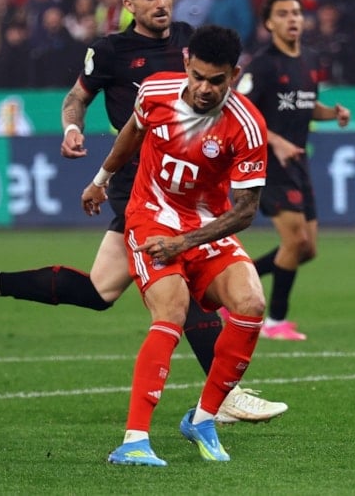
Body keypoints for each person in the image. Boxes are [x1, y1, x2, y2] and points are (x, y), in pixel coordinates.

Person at [0, 0, 286, 425]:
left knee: (99, 289)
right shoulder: (110, 51)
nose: (161, 3)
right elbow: (77, 98)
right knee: (181, 280)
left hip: (183, 187)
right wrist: (73, 130)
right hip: (140, 185)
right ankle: (225, 395)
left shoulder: (191, 42)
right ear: (129, 5)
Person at [82, 24, 268, 467]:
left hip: (205, 227)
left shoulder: (247, 125)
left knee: (251, 303)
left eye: (216, 81)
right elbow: (131, 133)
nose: (204, 88)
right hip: (150, 216)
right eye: (198, 76)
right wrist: (101, 179)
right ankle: (134, 440)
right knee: (172, 308)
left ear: (235, 75)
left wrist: (185, 241)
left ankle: (203, 418)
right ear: (186, 63)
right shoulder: (154, 91)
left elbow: (245, 211)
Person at [234, 0, 351, 341]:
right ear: (269, 24)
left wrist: (332, 113)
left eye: (296, 13)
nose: (293, 19)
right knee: (295, 240)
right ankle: (274, 322)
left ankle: (231, 284)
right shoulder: (262, 64)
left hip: (298, 163)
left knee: (307, 249)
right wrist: (276, 141)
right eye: (283, 14)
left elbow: (305, 104)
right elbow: (239, 112)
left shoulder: (310, 59)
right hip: (267, 164)